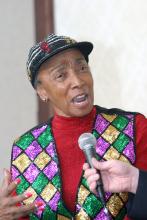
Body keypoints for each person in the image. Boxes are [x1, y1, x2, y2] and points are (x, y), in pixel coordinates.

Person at [1, 33, 147, 219]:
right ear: (42, 91)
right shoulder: (26, 148)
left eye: (82, 68)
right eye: (61, 75)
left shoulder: (133, 128)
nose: (78, 81)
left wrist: (137, 182)